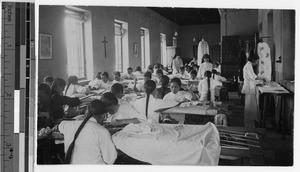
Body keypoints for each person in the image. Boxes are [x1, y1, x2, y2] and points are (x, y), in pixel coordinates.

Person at [58, 100, 117, 164]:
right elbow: (110, 158)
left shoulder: (70, 125)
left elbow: (61, 125)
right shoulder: (101, 131)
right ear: (103, 115)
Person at [241, 53, 265, 128]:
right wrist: (261, 79)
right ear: (253, 60)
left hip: (250, 87)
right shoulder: (248, 66)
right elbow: (253, 77)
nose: (257, 63)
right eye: (257, 61)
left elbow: (252, 78)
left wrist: (259, 81)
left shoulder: (249, 65)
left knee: (251, 105)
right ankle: (249, 125)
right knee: (250, 106)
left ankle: (251, 122)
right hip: (249, 88)